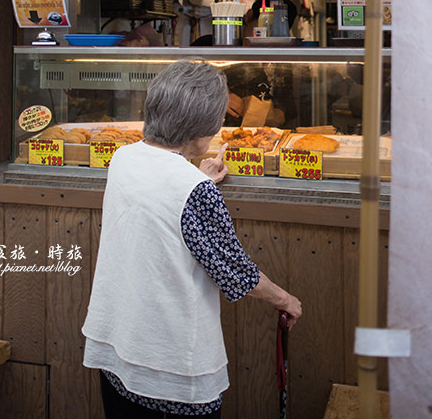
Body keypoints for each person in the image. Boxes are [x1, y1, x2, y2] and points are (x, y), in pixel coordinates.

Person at [82, 59, 302, 418]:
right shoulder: (193, 190)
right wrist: (286, 300)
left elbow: (163, 197)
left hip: (116, 349)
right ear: (201, 128)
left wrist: (195, 178)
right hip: (169, 368)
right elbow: (238, 275)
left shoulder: (124, 158)